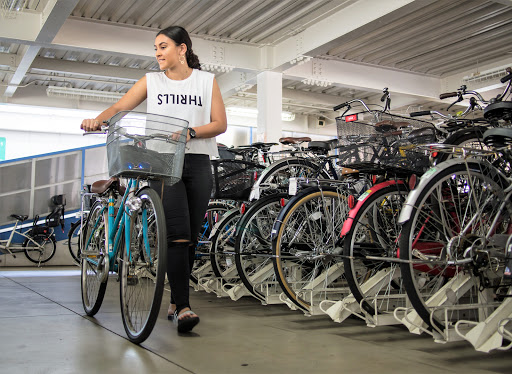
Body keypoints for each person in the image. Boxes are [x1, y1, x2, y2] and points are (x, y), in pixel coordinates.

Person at [81, 26, 227, 333]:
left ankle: (177, 299)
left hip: (199, 161)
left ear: (182, 49)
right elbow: (120, 108)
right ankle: (184, 308)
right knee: (177, 234)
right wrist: (98, 119)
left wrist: (190, 132)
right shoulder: (152, 81)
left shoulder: (206, 81)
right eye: (155, 48)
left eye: (163, 46)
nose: (158, 53)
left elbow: (219, 123)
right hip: (162, 162)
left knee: (191, 236)